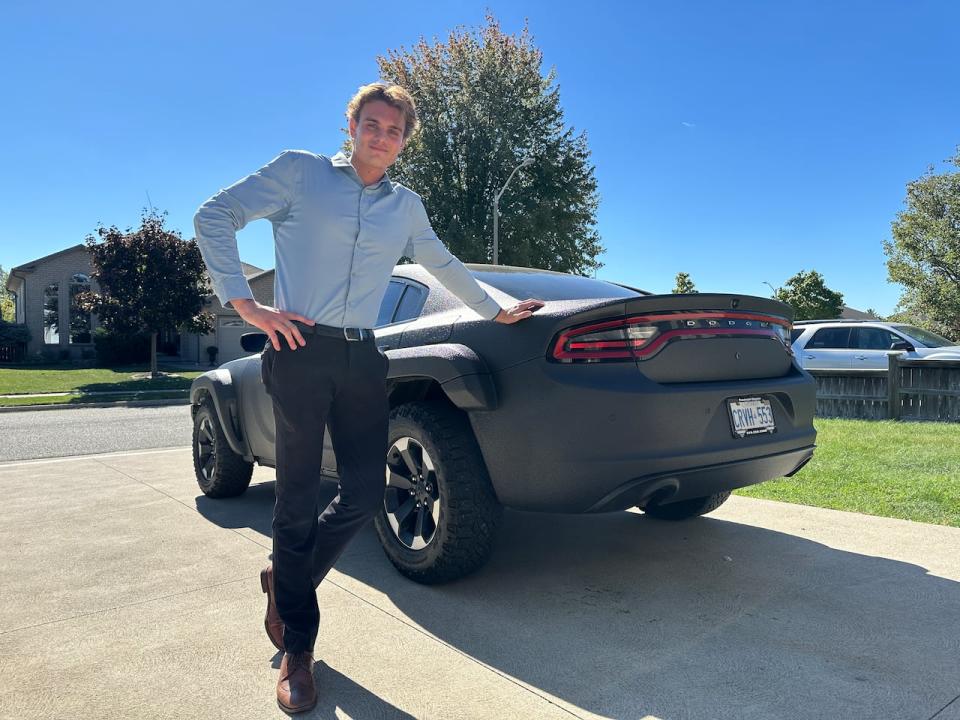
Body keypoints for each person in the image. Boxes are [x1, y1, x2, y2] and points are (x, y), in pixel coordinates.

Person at [193, 81, 543, 714]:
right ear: (351, 125)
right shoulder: (300, 174)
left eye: (395, 131)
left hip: (363, 355)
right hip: (298, 350)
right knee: (297, 497)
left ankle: (286, 579)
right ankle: (299, 649)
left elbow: (444, 264)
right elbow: (213, 215)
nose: (383, 137)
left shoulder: (405, 206)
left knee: (362, 491)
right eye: (373, 125)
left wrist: (499, 310)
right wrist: (243, 302)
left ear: (404, 141)